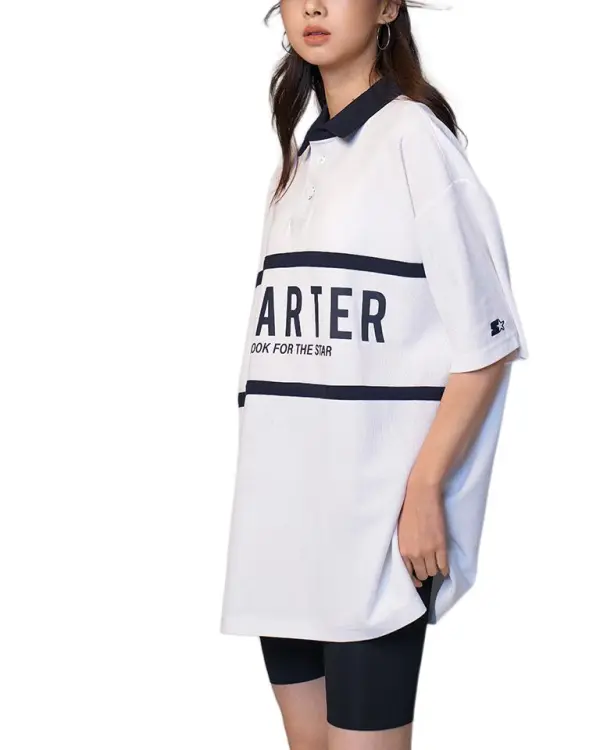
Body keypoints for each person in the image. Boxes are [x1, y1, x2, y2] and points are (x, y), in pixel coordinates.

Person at [219, 1, 529, 748]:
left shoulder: (414, 141)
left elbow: (487, 342)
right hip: (282, 529)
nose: (313, 7)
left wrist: (425, 490)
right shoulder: (298, 164)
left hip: (372, 533)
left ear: (388, 5)